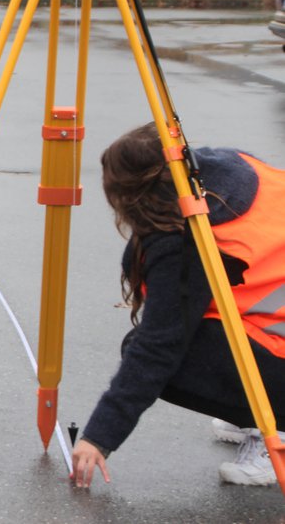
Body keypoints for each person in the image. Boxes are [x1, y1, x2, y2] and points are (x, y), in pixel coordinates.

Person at [71, 122, 285, 489]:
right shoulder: (234, 167)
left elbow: (158, 346)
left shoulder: (187, 237)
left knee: (161, 353)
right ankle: (254, 412)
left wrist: (98, 437)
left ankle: (274, 433)